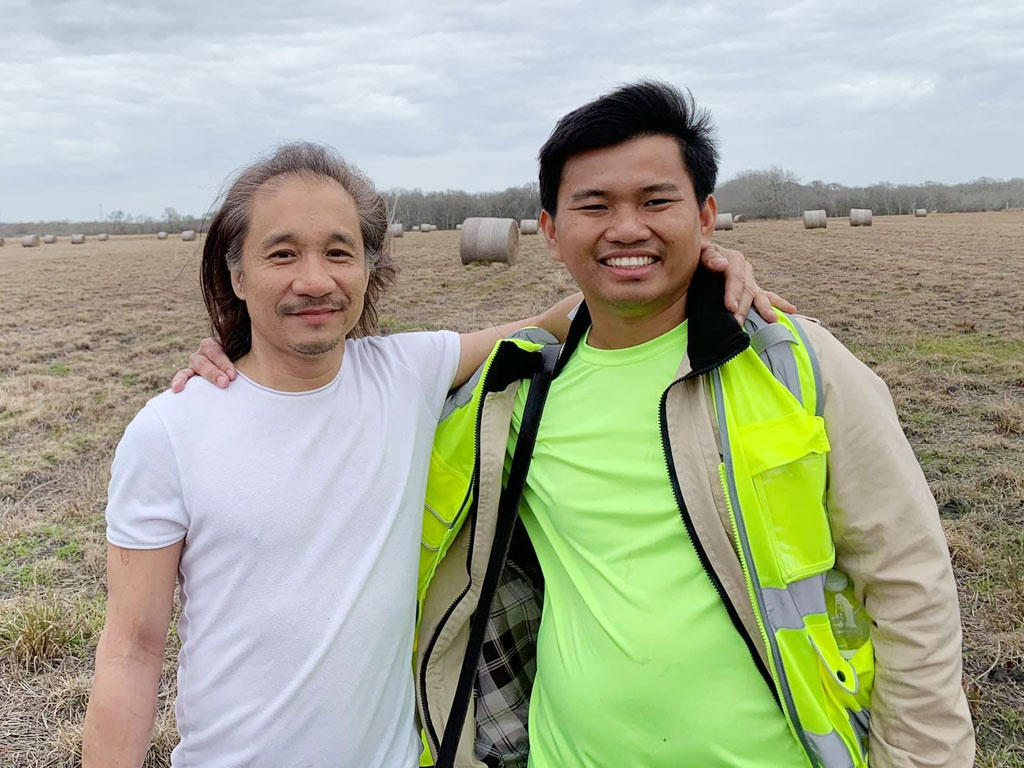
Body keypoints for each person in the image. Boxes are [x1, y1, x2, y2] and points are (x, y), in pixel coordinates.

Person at [83, 142, 777, 768]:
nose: (315, 279)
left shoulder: (406, 372)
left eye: (338, 250)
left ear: (368, 267)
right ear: (236, 275)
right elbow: (131, 650)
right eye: (282, 252)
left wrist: (706, 269)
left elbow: (566, 317)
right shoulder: (170, 430)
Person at [411, 81, 975, 767]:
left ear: (706, 217)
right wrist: (235, 337)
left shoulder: (795, 364)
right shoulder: (511, 396)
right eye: (594, 205)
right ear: (550, 232)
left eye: (656, 202)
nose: (626, 228)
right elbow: (329, 382)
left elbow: (909, 577)